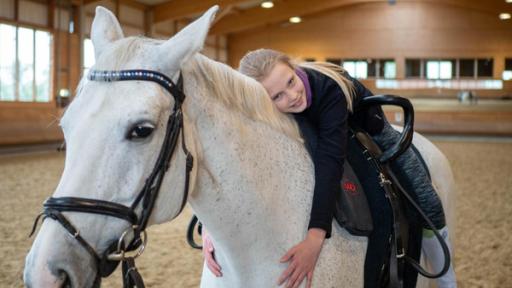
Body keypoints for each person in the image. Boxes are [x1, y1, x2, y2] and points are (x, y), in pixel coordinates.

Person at [202, 49, 457, 288]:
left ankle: (447, 281)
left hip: (361, 125)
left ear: (293, 68)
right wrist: (209, 229)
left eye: (291, 82)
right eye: (277, 96)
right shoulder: (257, 102)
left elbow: (330, 161)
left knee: (425, 198)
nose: (292, 95)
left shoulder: (328, 89)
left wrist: (315, 238)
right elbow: (234, 158)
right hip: (307, 126)